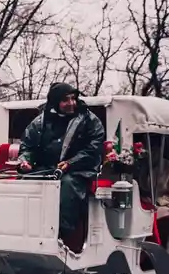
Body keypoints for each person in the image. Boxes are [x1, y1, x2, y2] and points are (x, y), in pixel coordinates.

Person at [17, 82, 105, 251]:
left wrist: (71, 163)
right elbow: (27, 146)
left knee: (68, 184)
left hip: (79, 170)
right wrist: (25, 161)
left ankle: (61, 234)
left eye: (73, 98)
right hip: (48, 168)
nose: (72, 103)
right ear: (56, 102)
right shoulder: (40, 122)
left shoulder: (89, 120)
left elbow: (94, 148)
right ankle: (26, 229)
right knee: (25, 180)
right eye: (66, 100)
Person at [138, 135, 169, 245]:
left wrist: (157, 201)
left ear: (160, 150)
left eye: (154, 150)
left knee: (146, 216)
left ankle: (153, 245)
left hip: (168, 205)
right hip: (146, 201)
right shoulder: (143, 167)